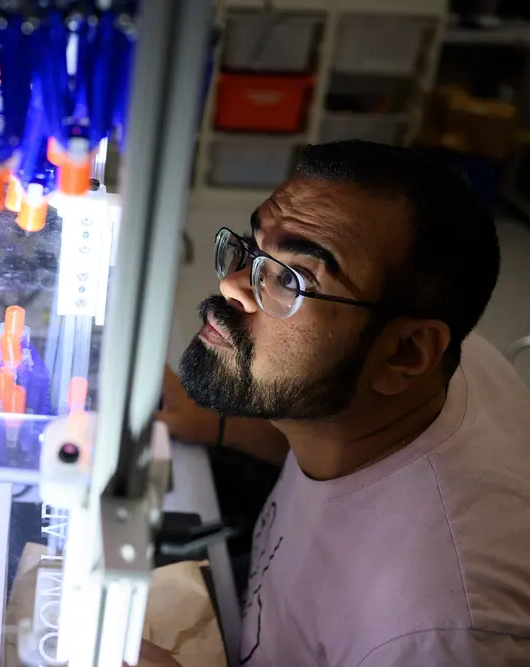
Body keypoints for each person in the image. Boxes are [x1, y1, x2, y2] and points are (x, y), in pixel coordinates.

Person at [159, 140, 530, 666]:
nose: (232, 285)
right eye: (253, 248)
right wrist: (216, 426)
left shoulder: (436, 629)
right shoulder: (428, 370)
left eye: (291, 280)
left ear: (406, 352)